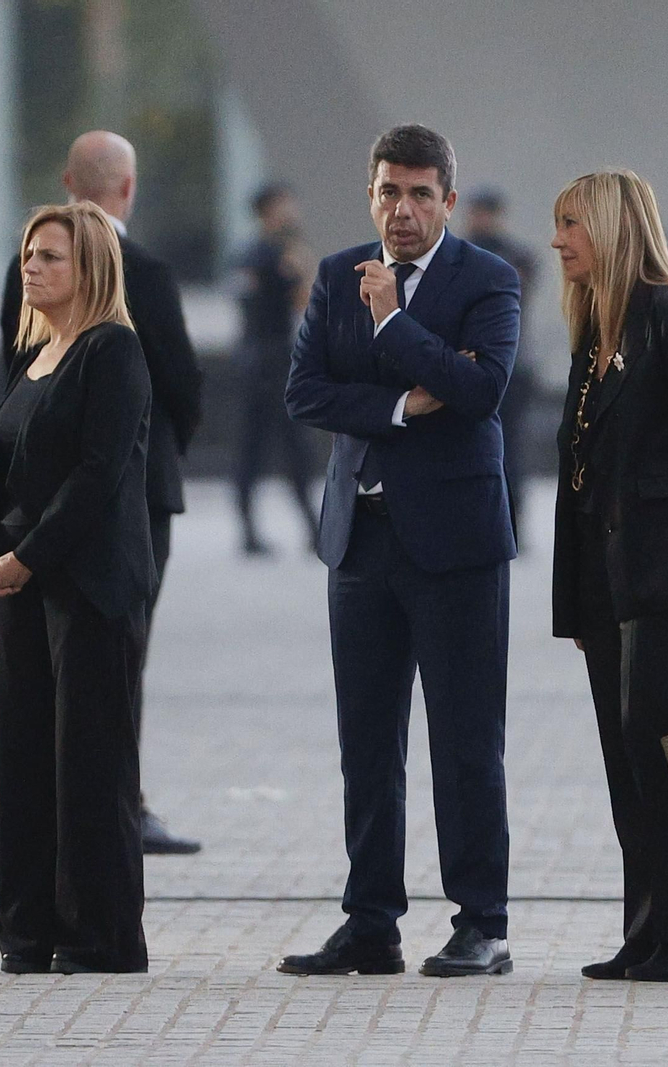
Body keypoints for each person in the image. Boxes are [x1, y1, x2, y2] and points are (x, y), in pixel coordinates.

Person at [279, 125, 520, 978]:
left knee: (464, 741)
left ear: (448, 201)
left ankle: (481, 922)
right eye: (389, 192)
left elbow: (483, 390)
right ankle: (370, 921)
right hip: (361, 542)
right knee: (368, 743)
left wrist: (395, 322)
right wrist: (397, 406)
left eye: (421, 194)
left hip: (455, 548)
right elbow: (303, 390)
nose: (404, 209)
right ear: (370, 194)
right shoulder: (341, 275)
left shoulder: (487, 277)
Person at [549, 169, 668, 982]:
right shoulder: (599, 327)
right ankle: (649, 928)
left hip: (666, 574)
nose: (558, 242)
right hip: (604, 575)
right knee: (625, 755)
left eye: (571, 225)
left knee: (657, 747)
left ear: (612, 228)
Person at [0, 130, 204, 856]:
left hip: (37, 499)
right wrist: (145, 458)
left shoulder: (22, 271)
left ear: (67, 180)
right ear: (128, 188)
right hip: (136, 505)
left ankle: (65, 804)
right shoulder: (144, 269)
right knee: (120, 657)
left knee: (46, 662)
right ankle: (121, 804)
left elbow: (15, 387)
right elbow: (183, 385)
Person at [0, 202, 155, 975]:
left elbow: (96, 475)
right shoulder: (32, 355)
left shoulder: (113, 353)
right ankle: (28, 930)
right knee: (23, 757)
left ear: (91, 270)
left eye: (49, 257)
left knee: (88, 763)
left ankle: (98, 935)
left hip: (89, 586)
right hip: (17, 584)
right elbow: (0, 467)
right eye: (27, 256)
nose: (31, 268)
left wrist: (30, 556)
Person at [230, 182, 319, 555]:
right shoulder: (268, 254)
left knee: (263, 446)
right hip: (269, 359)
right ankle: (302, 529)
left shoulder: (256, 253)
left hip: (263, 357)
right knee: (282, 445)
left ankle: (299, 529)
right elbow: (304, 297)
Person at [462, 188, 538, 543]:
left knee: (507, 450)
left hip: (509, 368)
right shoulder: (459, 254)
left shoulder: (514, 257)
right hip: (468, 366)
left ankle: (512, 524)